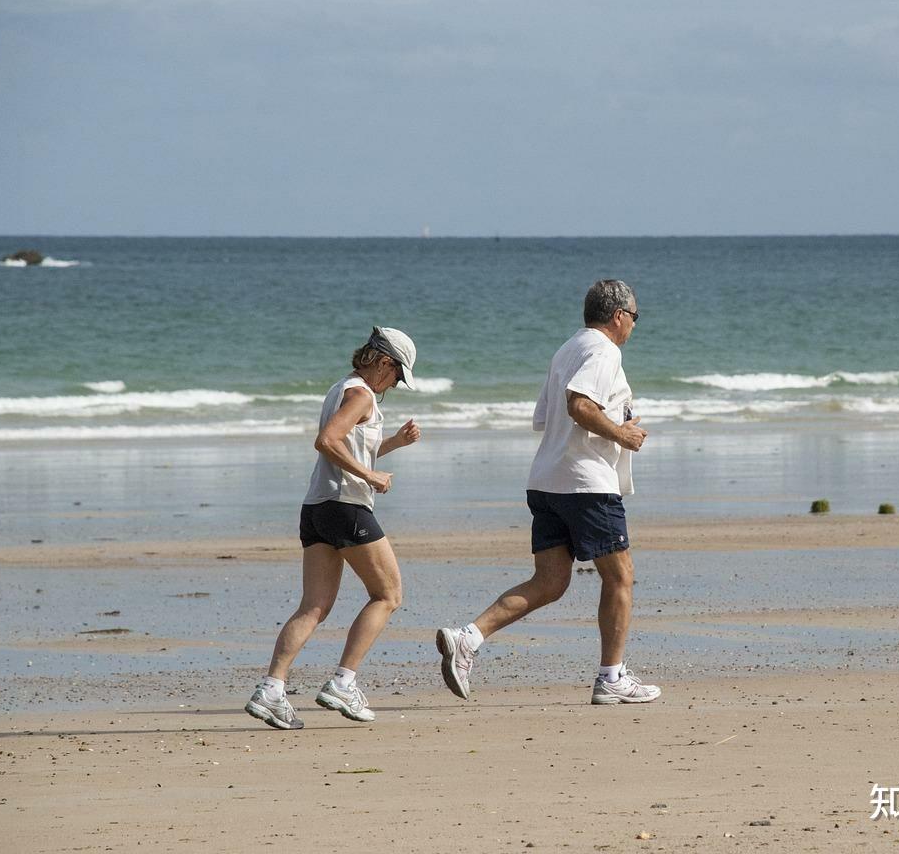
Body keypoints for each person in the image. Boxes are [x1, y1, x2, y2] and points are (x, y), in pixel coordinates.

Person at [436, 279, 660, 705]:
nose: (634, 326)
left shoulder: (568, 348)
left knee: (551, 581)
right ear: (618, 316)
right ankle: (611, 677)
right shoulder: (604, 349)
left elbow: (545, 417)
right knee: (621, 575)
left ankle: (467, 638)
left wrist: (616, 418)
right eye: (635, 317)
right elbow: (579, 406)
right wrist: (621, 433)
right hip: (585, 483)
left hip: (547, 480)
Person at [244, 326, 422, 730]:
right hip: (347, 507)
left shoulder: (342, 389)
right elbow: (326, 441)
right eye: (397, 375)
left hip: (317, 508)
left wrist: (393, 442)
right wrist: (373, 477)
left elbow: (350, 444)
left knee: (314, 606)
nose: (394, 384)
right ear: (384, 362)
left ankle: (271, 690)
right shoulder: (361, 395)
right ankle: (343, 682)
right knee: (388, 594)